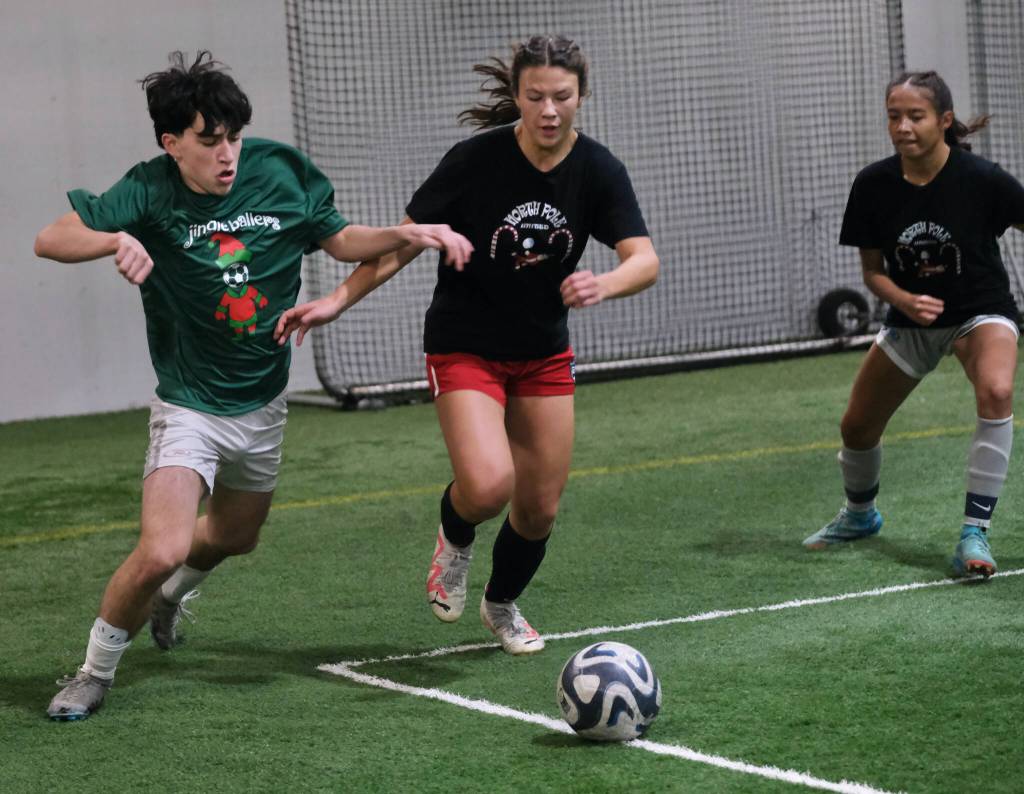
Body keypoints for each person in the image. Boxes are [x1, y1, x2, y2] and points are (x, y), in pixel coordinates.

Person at [35, 51, 472, 720]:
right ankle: (94, 673)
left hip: (264, 402)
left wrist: (403, 233)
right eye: (210, 140)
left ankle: (171, 596)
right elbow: (53, 237)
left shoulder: (280, 172)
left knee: (236, 536)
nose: (228, 154)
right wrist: (112, 241)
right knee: (161, 547)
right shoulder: (148, 189)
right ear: (171, 142)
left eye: (234, 137)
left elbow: (341, 241)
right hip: (189, 403)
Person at [276, 35, 659, 654]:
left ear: (582, 96)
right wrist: (336, 301)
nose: (549, 110)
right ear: (517, 96)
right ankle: (454, 542)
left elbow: (644, 260)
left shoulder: (599, 169)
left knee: (539, 508)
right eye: (535, 96)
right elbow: (403, 242)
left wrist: (604, 283)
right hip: (465, 345)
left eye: (562, 96)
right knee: (485, 486)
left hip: (543, 352)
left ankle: (501, 605)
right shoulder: (475, 160)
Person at [804, 71, 1024, 576]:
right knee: (856, 426)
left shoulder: (982, 179)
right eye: (894, 116)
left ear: (944, 121)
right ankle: (860, 515)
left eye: (915, 116)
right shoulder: (873, 185)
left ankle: (974, 534)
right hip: (910, 321)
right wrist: (905, 299)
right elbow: (872, 273)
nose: (902, 126)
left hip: (979, 312)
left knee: (996, 391)